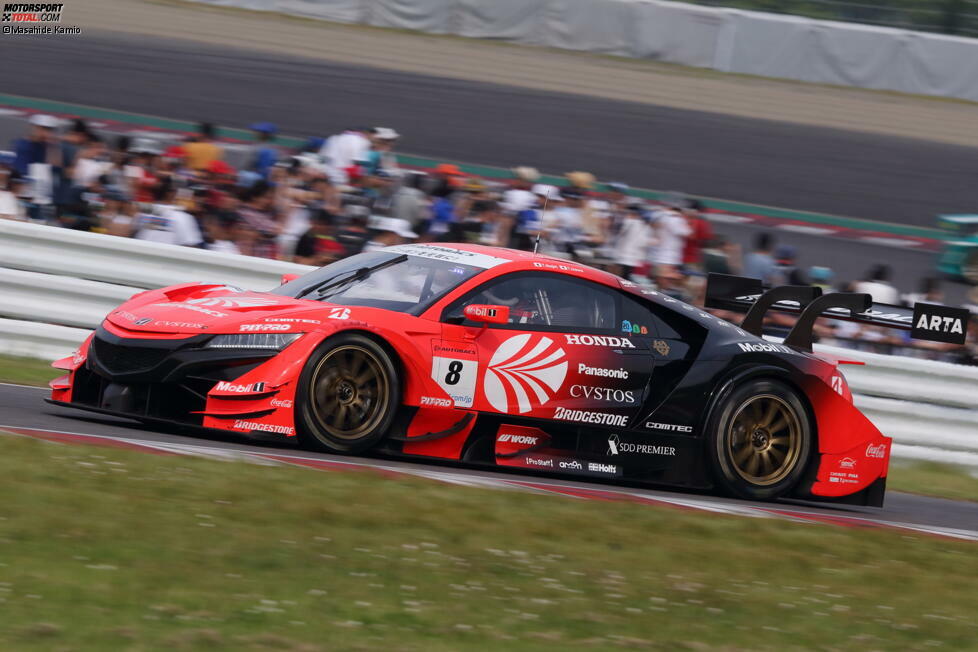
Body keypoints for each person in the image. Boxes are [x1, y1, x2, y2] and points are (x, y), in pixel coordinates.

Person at [135, 178, 204, 247]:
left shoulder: (145, 210)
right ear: (172, 193)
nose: (188, 196)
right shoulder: (183, 217)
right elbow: (191, 247)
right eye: (184, 192)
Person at [612, 200, 654, 280]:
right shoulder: (639, 224)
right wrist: (652, 242)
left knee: (620, 278)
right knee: (625, 280)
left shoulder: (627, 221)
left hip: (621, 256)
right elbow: (641, 242)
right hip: (630, 259)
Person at [680, 199, 713, 271]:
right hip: (692, 261)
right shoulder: (701, 223)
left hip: (674, 259)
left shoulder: (677, 219)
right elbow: (706, 242)